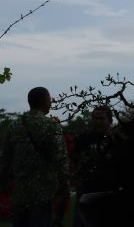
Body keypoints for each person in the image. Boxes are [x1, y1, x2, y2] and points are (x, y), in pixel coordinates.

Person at [0, 87, 69, 227]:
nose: (51, 102)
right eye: (49, 99)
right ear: (45, 102)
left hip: (20, 194)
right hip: (43, 195)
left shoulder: (15, 126)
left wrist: (4, 183)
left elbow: (4, 159)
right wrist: (64, 188)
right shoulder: (52, 126)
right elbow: (61, 160)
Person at [70, 106, 114, 226]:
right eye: (95, 118)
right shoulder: (84, 138)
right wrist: (76, 179)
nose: (97, 121)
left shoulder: (116, 139)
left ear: (110, 120)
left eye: (101, 118)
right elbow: (73, 159)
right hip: (87, 189)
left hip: (110, 189)